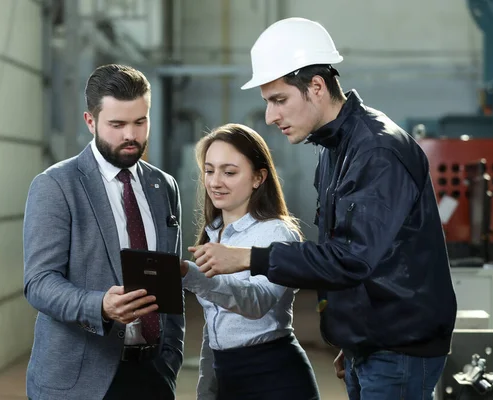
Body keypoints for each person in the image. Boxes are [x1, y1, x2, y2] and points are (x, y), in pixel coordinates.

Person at [190, 18, 457, 399]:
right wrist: (351, 338)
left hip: (398, 349)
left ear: (316, 86)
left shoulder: (376, 151)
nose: (270, 116)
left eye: (278, 100)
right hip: (371, 345)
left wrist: (249, 257)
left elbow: (351, 258)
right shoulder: (335, 150)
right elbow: (352, 254)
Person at [23, 64, 184, 400]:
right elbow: (39, 283)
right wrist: (100, 306)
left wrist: (170, 358)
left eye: (140, 122)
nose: (131, 135)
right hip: (80, 380)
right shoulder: (56, 185)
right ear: (90, 121)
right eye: (117, 124)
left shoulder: (163, 186)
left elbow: (171, 281)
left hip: (152, 374)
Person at [181, 123, 320, 400]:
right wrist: (207, 389)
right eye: (209, 170)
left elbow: (257, 303)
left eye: (229, 172)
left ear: (259, 177)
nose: (215, 181)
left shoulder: (276, 232)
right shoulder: (213, 232)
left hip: (274, 378)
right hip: (226, 377)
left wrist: (192, 275)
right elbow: (215, 325)